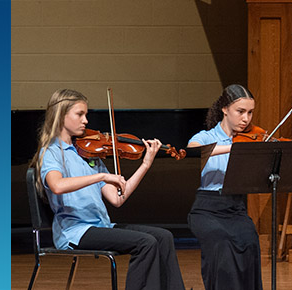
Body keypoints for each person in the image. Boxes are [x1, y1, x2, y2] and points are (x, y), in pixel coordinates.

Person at [32, 89, 185, 290]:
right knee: (145, 243)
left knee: (163, 237)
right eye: (79, 114)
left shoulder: (88, 154)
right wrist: (102, 175)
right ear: (61, 115)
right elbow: (57, 186)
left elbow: (117, 199)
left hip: (102, 226)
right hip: (75, 232)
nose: (85, 120)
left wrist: (145, 164)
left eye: (86, 114)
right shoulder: (51, 152)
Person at [185, 84, 263, 290]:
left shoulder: (251, 138)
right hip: (207, 208)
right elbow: (193, 150)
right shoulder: (205, 137)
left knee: (250, 241)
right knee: (222, 243)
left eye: (250, 112)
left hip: (235, 207)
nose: (246, 119)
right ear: (225, 109)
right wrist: (233, 147)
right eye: (241, 112)